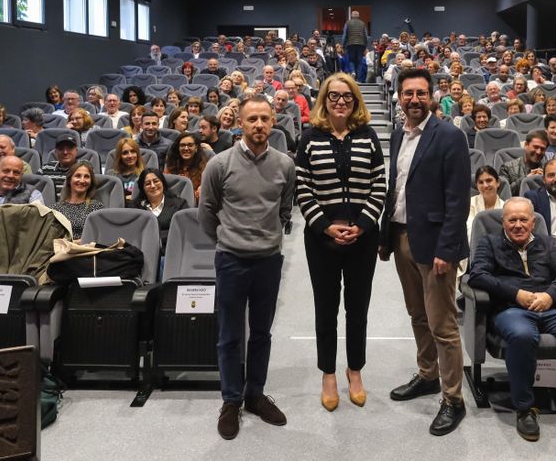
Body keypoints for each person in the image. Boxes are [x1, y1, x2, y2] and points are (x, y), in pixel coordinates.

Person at [379, 69, 470, 436]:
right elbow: (395, 187)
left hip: (435, 246)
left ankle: (453, 399)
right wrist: (386, 236)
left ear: (432, 96)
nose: (413, 100)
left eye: (420, 94)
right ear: (399, 97)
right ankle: (428, 375)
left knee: (443, 325)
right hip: (402, 235)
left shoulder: (449, 136)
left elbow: (457, 199)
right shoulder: (399, 132)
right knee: (417, 315)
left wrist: (447, 249)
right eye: (407, 94)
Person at [198, 95, 296, 440]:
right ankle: (231, 399)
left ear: (273, 122)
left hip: (268, 261)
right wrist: (229, 240)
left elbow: (285, 210)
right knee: (229, 336)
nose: (258, 125)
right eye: (252, 119)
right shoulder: (219, 164)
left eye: (265, 119)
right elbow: (206, 213)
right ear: (240, 122)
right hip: (231, 260)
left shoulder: (285, 165)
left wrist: (267, 236)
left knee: (262, 333)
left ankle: (254, 394)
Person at [467, 198, 556, 442]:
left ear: (533, 222)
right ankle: (525, 407)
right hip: (512, 308)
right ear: (503, 222)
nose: (517, 225)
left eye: (523, 219)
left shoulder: (547, 243)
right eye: (512, 220)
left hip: (550, 307)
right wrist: (516, 294)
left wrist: (550, 295)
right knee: (523, 336)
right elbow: (478, 275)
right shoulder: (490, 242)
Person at [294, 73, 385, 412]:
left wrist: (362, 225)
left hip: (363, 238)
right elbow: (302, 187)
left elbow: (379, 183)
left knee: (357, 308)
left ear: (356, 100)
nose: (341, 102)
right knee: (326, 308)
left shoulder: (369, 136)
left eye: (347, 96)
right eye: (334, 96)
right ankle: (329, 374)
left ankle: (355, 370)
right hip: (322, 239)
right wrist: (325, 226)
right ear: (324, 100)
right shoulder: (310, 137)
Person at [134, 168, 187, 250]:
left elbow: (183, 232)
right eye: (147, 184)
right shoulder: (134, 208)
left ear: (163, 183)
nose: (153, 186)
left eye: (156, 181)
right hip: (141, 252)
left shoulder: (180, 205)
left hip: (170, 251)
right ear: (142, 188)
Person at [53, 162, 104, 240]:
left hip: (87, 250)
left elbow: (101, 237)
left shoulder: (97, 208)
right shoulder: (55, 209)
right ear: (69, 180)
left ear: (91, 182)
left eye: (86, 177)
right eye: (78, 176)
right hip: (61, 250)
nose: (82, 180)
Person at [163, 132, 209, 203]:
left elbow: (203, 193)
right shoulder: (171, 165)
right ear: (178, 148)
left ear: (196, 148)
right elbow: (165, 188)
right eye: (182, 145)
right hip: (172, 204)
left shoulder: (205, 167)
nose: (186, 148)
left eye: (190, 145)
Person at [500, 130, 548, 196]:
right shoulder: (507, 167)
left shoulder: (548, 169)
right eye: (536, 147)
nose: (538, 152)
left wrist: (546, 180)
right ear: (526, 145)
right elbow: (503, 194)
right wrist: (525, 180)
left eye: (542, 149)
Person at [108, 138, 145, 207]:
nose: (130, 156)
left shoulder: (145, 175)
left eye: (133, 151)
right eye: (125, 153)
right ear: (120, 156)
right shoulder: (111, 175)